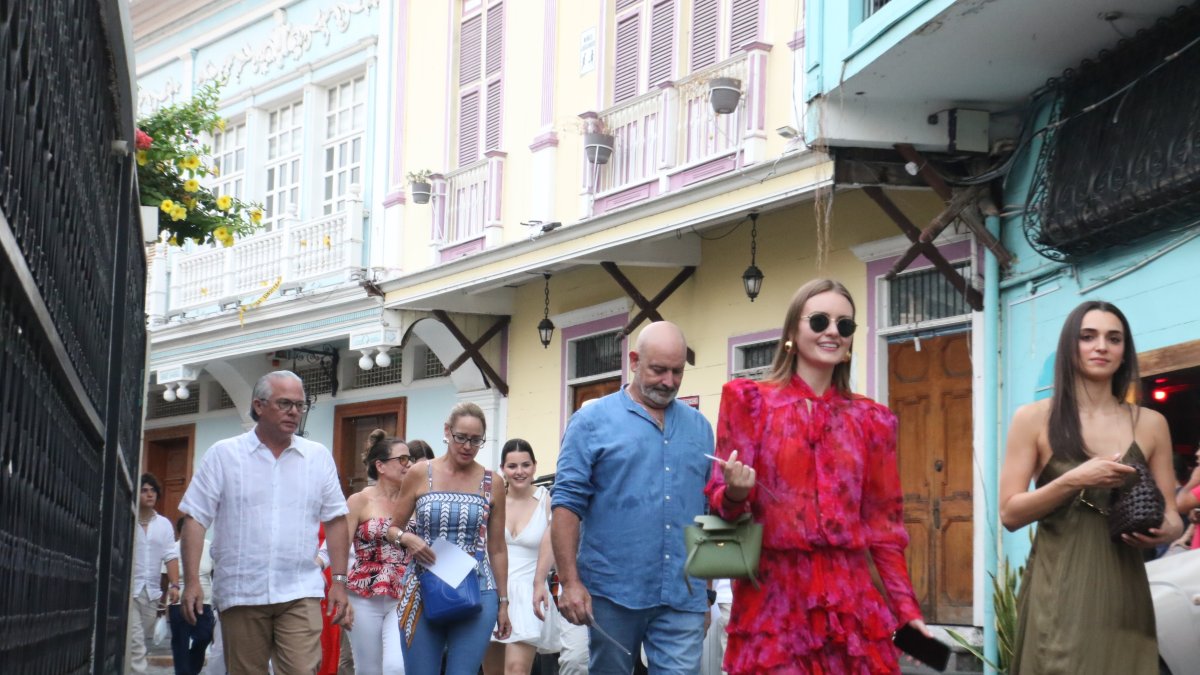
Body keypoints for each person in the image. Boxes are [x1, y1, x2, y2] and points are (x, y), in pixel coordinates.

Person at [704, 278, 927, 673]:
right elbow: (722, 503)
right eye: (820, 320)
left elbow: (884, 527)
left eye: (845, 325)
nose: (832, 332)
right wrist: (736, 492)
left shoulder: (872, 420)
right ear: (793, 329)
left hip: (850, 602)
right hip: (774, 599)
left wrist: (907, 611)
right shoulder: (750, 403)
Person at [1000, 300, 1181, 673]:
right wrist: (1074, 479)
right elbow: (1010, 514)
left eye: (1114, 339)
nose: (1101, 346)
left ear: (1124, 351)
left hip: (1124, 589)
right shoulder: (1033, 419)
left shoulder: (1151, 423)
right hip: (1060, 588)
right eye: (1088, 336)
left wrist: (1165, 530)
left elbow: (1173, 516)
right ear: (1070, 346)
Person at [553, 321, 714, 674]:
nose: (669, 381)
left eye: (677, 372)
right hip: (612, 592)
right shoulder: (590, 421)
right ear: (635, 361)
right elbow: (566, 504)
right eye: (658, 370)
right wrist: (570, 582)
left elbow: (706, 512)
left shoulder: (700, 428)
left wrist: (707, 593)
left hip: (683, 594)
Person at [178, 371, 354, 675]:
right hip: (242, 591)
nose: (294, 412)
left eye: (300, 405)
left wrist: (339, 582)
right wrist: (191, 580)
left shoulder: (317, 457)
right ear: (258, 406)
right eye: (285, 403)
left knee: (302, 670)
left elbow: (337, 521)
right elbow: (195, 518)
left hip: (300, 589)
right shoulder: (224, 455)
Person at [388, 402, 512, 674]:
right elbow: (392, 529)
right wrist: (407, 538)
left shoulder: (493, 483)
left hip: (478, 588)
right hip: (422, 586)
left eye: (476, 440)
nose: (467, 446)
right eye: (461, 437)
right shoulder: (420, 473)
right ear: (447, 431)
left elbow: (497, 548)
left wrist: (504, 603)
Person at [483, 439, 559, 675]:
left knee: (517, 669)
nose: (519, 472)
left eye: (525, 465)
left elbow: (553, 545)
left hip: (528, 591)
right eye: (512, 466)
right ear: (502, 469)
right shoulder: (492, 501)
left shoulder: (547, 501)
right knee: (493, 672)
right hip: (493, 590)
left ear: (535, 466)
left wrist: (540, 582)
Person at [345, 431, 417, 674]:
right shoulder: (359, 501)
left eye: (410, 459)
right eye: (403, 459)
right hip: (363, 594)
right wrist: (338, 587)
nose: (409, 464)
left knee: (396, 667)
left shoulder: (415, 501)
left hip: (404, 592)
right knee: (368, 669)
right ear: (380, 466)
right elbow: (340, 546)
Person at [129, 473, 181, 675]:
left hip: (152, 592)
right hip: (129, 590)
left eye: (153, 491)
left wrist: (174, 585)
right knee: (136, 643)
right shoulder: (128, 519)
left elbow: (170, 556)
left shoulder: (164, 524)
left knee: (139, 640)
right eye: (144, 490)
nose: (149, 494)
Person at [168, 516, 216, 675]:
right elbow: (165, 576)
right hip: (178, 601)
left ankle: (192, 670)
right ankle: (182, 672)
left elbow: (214, 573)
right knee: (180, 642)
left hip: (204, 600)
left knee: (204, 636)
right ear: (181, 531)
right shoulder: (173, 549)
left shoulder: (209, 547)